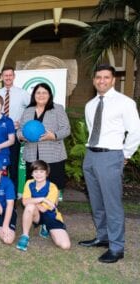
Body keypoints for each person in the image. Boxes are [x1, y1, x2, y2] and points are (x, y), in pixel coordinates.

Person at [79, 64, 140, 263]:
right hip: (91, 155)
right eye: (98, 77)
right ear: (94, 80)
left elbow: (135, 131)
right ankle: (102, 237)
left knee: (112, 204)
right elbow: (91, 131)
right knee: (96, 202)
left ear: (113, 80)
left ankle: (117, 247)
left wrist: (126, 154)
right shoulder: (90, 105)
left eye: (106, 77)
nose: (102, 80)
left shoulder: (125, 102)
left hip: (111, 156)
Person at [16, 83, 70, 196]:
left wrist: (53, 136)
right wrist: (21, 136)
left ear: (49, 95)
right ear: (34, 95)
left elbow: (66, 129)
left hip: (53, 156)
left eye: (44, 92)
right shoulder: (28, 110)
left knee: (53, 188)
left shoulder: (57, 108)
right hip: (32, 156)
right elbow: (20, 129)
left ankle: (51, 211)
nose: (41, 95)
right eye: (38, 92)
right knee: (34, 188)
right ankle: (35, 211)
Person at [16, 160, 71, 251]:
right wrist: (42, 199)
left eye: (42, 172)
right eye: (36, 172)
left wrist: (32, 201)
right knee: (30, 207)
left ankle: (47, 227)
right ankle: (25, 236)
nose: (38, 174)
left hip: (51, 216)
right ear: (32, 174)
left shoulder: (52, 187)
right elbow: (24, 202)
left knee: (65, 245)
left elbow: (43, 209)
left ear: (47, 173)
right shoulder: (29, 183)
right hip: (37, 215)